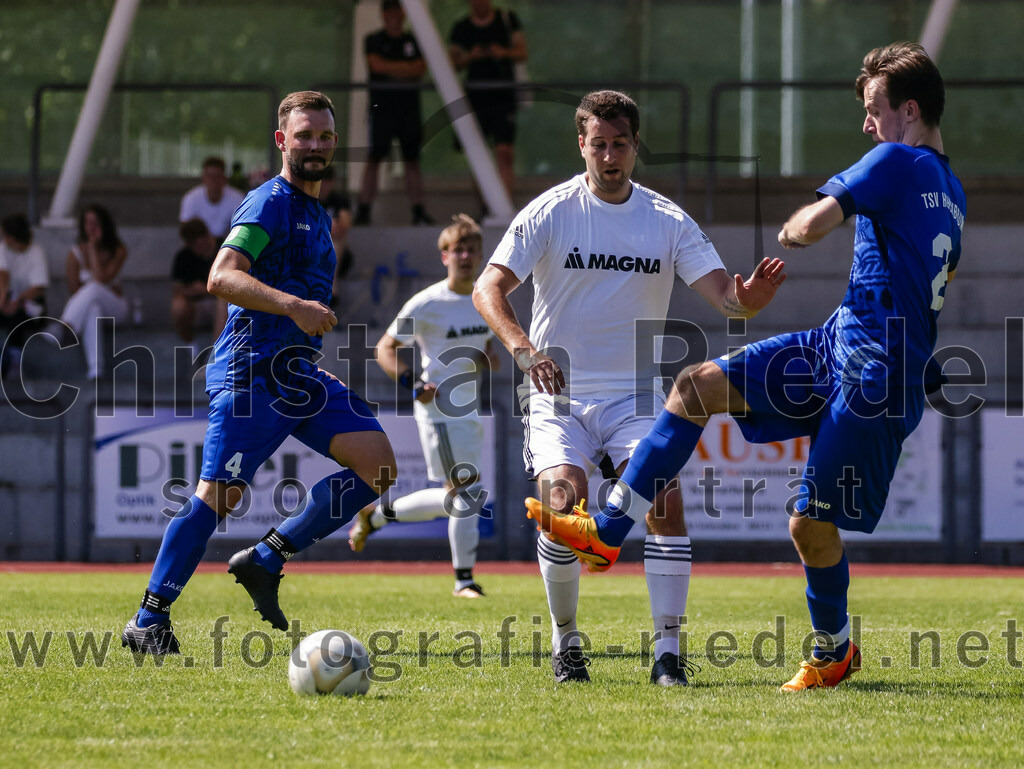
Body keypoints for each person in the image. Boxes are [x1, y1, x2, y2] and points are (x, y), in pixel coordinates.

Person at [529, 43, 964, 692]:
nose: (866, 124)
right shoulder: (952, 190)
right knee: (695, 387)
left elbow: (811, 224)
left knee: (809, 523)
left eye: (874, 110)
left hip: (872, 375)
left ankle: (834, 648)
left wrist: (798, 228)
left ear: (907, 109)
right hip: (836, 343)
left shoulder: (897, 158)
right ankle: (609, 528)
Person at [472, 90, 785, 685]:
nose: (610, 156)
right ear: (582, 146)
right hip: (558, 395)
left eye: (620, 145)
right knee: (562, 504)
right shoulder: (550, 210)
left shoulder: (667, 220)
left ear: (636, 147)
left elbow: (726, 297)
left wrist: (747, 301)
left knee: (664, 502)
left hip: (637, 397)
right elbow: (488, 289)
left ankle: (668, 653)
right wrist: (524, 350)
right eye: (599, 144)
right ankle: (567, 643)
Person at [121, 91, 397, 655]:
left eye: (323, 136)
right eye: (303, 136)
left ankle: (267, 557)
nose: (314, 146)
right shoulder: (268, 202)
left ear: (334, 143)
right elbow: (221, 277)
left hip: (297, 373)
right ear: (282, 142)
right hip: (250, 375)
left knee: (379, 464)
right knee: (216, 497)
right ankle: (148, 619)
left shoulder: (318, 213)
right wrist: (294, 306)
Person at [348, 214, 499, 598]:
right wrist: (412, 383)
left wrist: (486, 356)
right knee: (466, 493)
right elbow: (384, 348)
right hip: (440, 412)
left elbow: (482, 343)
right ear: (444, 256)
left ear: (480, 256)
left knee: (460, 498)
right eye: (457, 250)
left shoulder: (485, 298)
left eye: (471, 250)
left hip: (469, 409)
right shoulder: (429, 302)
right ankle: (464, 580)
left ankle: (377, 516)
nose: (465, 256)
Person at [355, 0, 434, 226]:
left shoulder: (413, 40)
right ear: (383, 14)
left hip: (408, 109)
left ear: (403, 14)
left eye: (397, 11)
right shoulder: (374, 40)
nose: (393, 15)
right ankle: (363, 208)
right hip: (382, 109)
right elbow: (376, 66)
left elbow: (419, 68)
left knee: (412, 160)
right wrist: (404, 69)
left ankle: (418, 209)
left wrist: (395, 69)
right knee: (375, 157)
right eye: (389, 11)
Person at [449, 0, 527, 199]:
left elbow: (521, 52)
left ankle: (504, 204)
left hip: (503, 97)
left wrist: (502, 52)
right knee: (479, 156)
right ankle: (486, 206)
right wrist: (470, 57)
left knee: (504, 152)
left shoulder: (507, 20)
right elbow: (452, 63)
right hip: (475, 100)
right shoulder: (461, 28)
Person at [59, 204, 129, 381]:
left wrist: (92, 248)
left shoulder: (118, 250)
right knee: (93, 309)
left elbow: (100, 278)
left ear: (104, 224)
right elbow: (74, 290)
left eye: (95, 223)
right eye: (87, 223)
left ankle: (66, 324)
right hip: (89, 309)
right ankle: (95, 370)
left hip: (116, 308)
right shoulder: (74, 253)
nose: (91, 227)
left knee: (93, 288)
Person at [0, 213, 49, 379]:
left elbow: (39, 286)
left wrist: (18, 301)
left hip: (31, 306)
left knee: (18, 317)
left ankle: (15, 360)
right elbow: (3, 274)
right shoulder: (4, 249)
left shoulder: (36, 252)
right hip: (10, 299)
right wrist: (3, 299)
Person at [170, 218, 226, 351]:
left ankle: (217, 351)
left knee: (222, 300)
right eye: (194, 246)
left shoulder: (225, 250)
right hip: (196, 306)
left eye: (201, 245)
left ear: (208, 236)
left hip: (221, 304)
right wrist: (192, 290)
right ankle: (190, 345)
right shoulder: (184, 256)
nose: (198, 249)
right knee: (178, 305)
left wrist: (206, 290)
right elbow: (177, 289)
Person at [179, 156, 245, 241]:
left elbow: (244, 230)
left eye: (217, 176)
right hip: (199, 248)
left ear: (224, 178)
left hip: (228, 246)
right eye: (210, 176)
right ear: (203, 178)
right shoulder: (190, 198)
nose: (213, 180)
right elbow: (185, 230)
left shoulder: (238, 198)